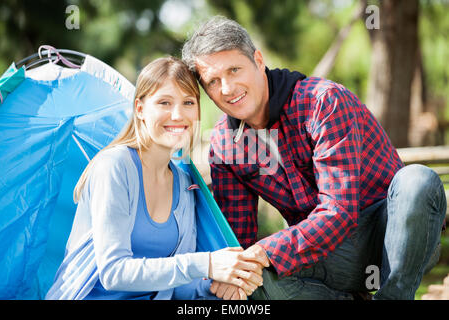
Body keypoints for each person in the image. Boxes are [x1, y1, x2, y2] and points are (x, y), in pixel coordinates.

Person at [181, 16, 447, 300]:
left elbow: (339, 213)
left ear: (258, 61)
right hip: (324, 256)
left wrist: (266, 251)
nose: (227, 88)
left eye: (234, 70)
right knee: (250, 281)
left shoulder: (323, 102)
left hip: (392, 239)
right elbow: (237, 238)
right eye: (213, 81)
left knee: (417, 180)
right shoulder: (225, 145)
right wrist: (235, 275)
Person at [45, 56, 266, 300]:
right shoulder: (115, 166)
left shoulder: (183, 184)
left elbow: (177, 285)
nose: (178, 115)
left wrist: (214, 286)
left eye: (188, 103)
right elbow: (113, 272)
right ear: (140, 109)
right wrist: (208, 263)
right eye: (164, 102)